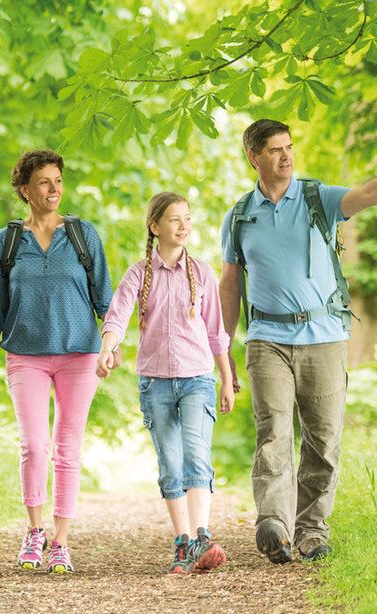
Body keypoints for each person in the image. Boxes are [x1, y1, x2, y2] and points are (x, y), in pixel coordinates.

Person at [218, 119, 377, 563]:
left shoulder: (319, 199)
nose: (286, 156)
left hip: (323, 336)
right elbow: (229, 284)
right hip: (267, 339)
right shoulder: (240, 216)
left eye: (289, 147)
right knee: (273, 431)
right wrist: (222, 347)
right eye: (276, 150)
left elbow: (368, 192)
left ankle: (312, 531)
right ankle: (275, 525)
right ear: (253, 157)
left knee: (322, 439)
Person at [0, 149, 113, 574]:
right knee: (35, 446)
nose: (54, 189)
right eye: (44, 182)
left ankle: (60, 541)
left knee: (67, 449)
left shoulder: (81, 234)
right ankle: (34, 532)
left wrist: (110, 345)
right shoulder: (9, 240)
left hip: (80, 353)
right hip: (25, 354)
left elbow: (105, 299)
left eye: (58, 180)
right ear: (25, 190)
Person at [97, 192, 235, 574]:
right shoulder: (138, 274)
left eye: (187, 218)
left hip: (196, 379)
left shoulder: (203, 272)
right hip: (154, 381)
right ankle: (184, 542)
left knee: (196, 454)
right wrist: (107, 349)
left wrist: (226, 378)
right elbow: (117, 316)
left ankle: (203, 535)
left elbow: (215, 332)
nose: (184, 225)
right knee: (170, 464)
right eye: (175, 219)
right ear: (155, 227)